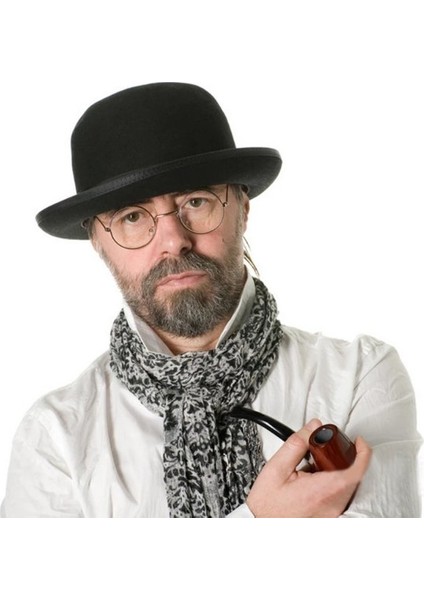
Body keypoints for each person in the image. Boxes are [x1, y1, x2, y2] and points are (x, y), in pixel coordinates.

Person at [1, 83, 421, 517]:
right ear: (98, 243)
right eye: (132, 216)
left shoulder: (359, 376)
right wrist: (263, 522)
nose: (173, 240)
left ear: (243, 207)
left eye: (196, 201)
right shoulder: (54, 439)